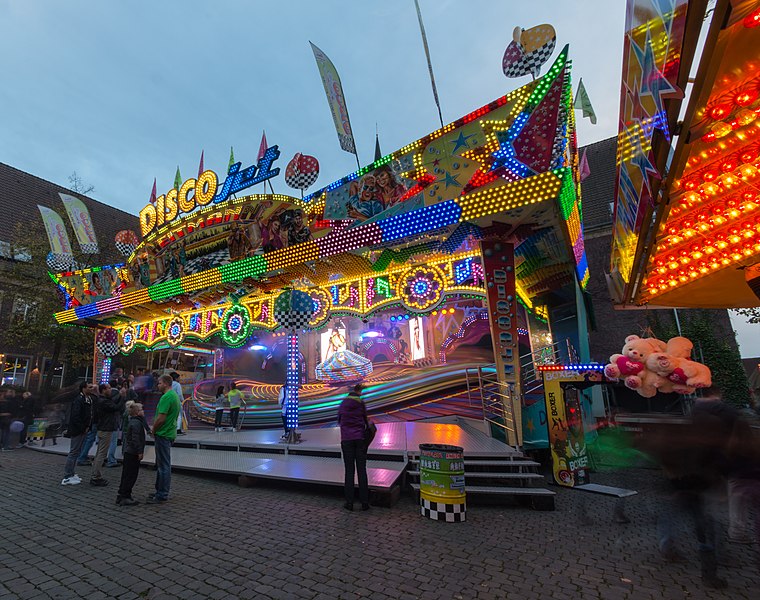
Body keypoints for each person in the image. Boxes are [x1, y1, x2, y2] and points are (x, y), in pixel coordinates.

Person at [337, 383, 370, 511]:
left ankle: (349, 502)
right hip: (360, 439)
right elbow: (365, 420)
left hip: (347, 440)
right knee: (362, 470)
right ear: (358, 391)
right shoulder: (360, 403)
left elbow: (339, 420)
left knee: (349, 471)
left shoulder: (343, 403)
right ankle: (365, 502)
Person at [148, 374, 181, 503]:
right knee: (162, 464)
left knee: (163, 465)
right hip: (169, 432)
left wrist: (153, 429)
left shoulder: (166, 397)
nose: (158, 385)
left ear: (166, 384)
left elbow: (161, 417)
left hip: (163, 433)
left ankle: (162, 494)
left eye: (160, 383)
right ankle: (159, 490)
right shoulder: (174, 396)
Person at [90, 382, 125, 487]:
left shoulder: (103, 400)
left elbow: (113, 404)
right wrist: (122, 397)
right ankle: (95, 476)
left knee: (99, 453)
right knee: (101, 454)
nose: (110, 390)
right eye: (109, 388)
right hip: (106, 429)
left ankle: (96, 474)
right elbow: (116, 407)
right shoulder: (104, 402)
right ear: (103, 390)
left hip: (103, 428)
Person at [61, 382, 93, 486]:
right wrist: (83, 427)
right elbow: (76, 416)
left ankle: (71, 473)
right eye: (90, 387)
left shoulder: (86, 399)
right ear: (83, 388)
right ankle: (67, 475)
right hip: (78, 430)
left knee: (76, 451)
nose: (91, 389)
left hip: (82, 429)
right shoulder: (79, 400)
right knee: (74, 452)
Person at [116, 401, 146, 506]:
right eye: (141, 409)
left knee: (127, 474)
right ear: (137, 412)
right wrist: (140, 451)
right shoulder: (136, 423)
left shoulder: (135, 421)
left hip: (129, 451)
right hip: (132, 452)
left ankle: (122, 495)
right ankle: (125, 496)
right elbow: (135, 438)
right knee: (131, 475)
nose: (143, 411)